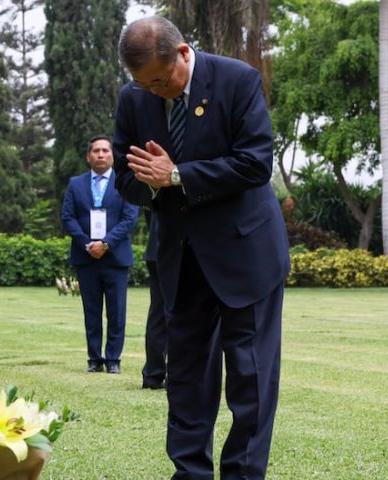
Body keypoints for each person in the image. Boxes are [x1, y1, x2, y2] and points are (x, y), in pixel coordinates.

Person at [113, 16, 290, 480]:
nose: (153, 91)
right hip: (182, 258)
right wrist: (150, 184)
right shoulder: (134, 98)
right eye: (143, 83)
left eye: (159, 79)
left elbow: (255, 163)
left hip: (245, 254)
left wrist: (177, 175)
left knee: (250, 379)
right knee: (187, 378)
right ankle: (189, 474)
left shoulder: (236, 80)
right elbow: (126, 178)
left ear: (183, 53)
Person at [61, 135, 139, 374]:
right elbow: (68, 218)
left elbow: (129, 218)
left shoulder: (126, 182)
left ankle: (113, 359)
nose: (101, 155)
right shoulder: (76, 184)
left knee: (117, 312)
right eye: (96, 151)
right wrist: (88, 244)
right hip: (86, 258)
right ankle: (94, 359)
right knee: (91, 311)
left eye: (105, 150)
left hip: (115, 258)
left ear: (112, 155)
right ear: (88, 156)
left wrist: (105, 243)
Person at [141, 211, 167, 389]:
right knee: (183, 312)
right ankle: (178, 374)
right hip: (175, 247)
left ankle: (153, 373)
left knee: (157, 313)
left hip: (155, 248)